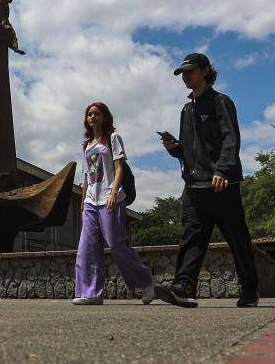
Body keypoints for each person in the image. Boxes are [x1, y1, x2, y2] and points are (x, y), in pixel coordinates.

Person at [157, 53, 259, 308]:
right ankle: (184, 287)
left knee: (237, 239)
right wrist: (175, 148)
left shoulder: (221, 102)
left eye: (190, 71)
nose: (186, 76)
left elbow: (230, 139)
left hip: (222, 185)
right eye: (183, 73)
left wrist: (223, 170)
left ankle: (250, 289)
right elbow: (192, 150)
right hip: (194, 186)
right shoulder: (186, 109)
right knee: (192, 238)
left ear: (204, 71)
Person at [73, 102, 156, 305]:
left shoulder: (112, 139)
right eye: (89, 114)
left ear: (105, 117)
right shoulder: (87, 146)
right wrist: (83, 200)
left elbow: (119, 168)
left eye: (97, 114)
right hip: (91, 200)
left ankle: (146, 281)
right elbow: (86, 176)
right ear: (86, 120)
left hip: (110, 198)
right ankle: (91, 293)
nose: (93, 117)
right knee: (87, 247)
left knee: (116, 244)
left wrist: (113, 193)